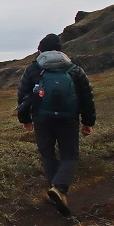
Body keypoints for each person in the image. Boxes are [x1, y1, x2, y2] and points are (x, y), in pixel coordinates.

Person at [17, 33, 96, 215]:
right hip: (68, 120)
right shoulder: (74, 70)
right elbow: (87, 97)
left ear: (41, 50)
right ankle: (59, 189)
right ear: (61, 50)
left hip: (42, 119)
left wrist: (25, 119)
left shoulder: (33, 69)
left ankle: (57, 190)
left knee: (47, 154)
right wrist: (88, 122)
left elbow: (23, 95)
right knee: (70, 156)